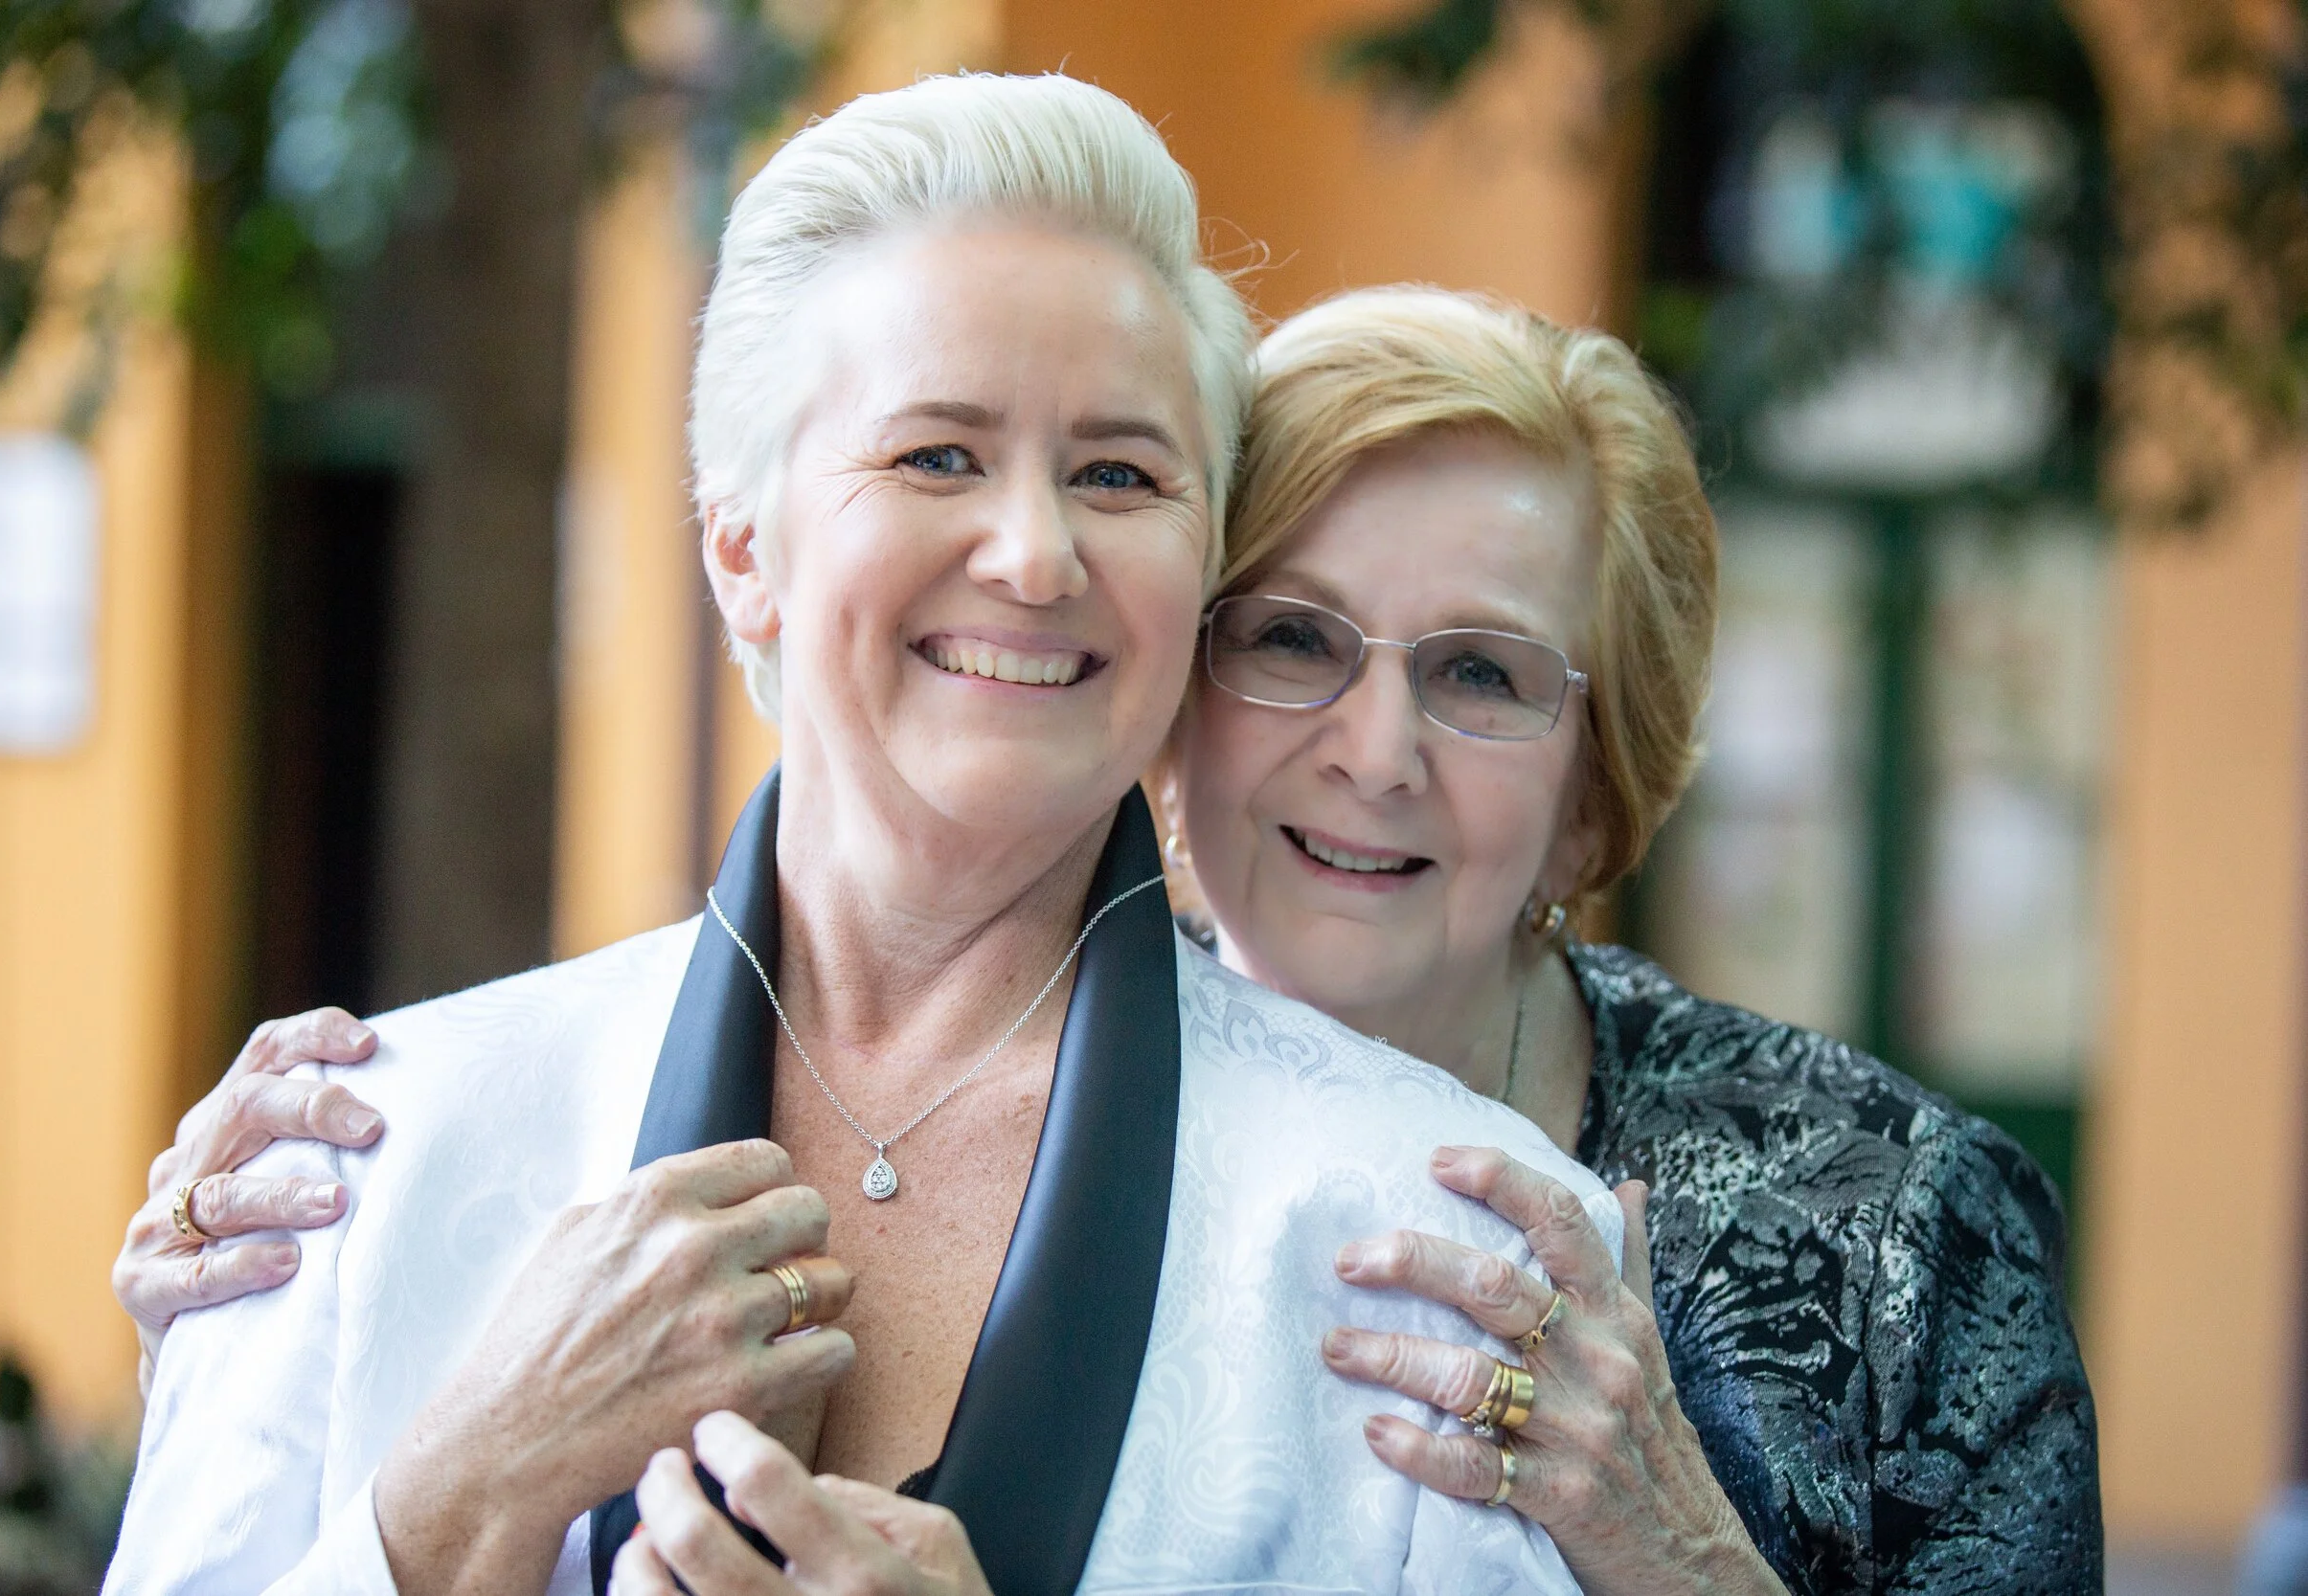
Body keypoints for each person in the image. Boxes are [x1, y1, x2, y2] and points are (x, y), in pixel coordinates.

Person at [105, 75, 1622, 1596]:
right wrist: (451, 1503)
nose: (1034, 554)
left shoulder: (1443, 1251)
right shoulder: (348, 1167)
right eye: (936, 455)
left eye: (1119, 474)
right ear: (745, 550)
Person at [1156, 285, 2103, 1592]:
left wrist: (1685, 1558)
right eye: (1288, 636)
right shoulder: (1010, 1135)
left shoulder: (1905, 1232)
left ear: (1591, 800)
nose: (1374, 757)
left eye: (1480, 672)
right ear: (1175, 693)